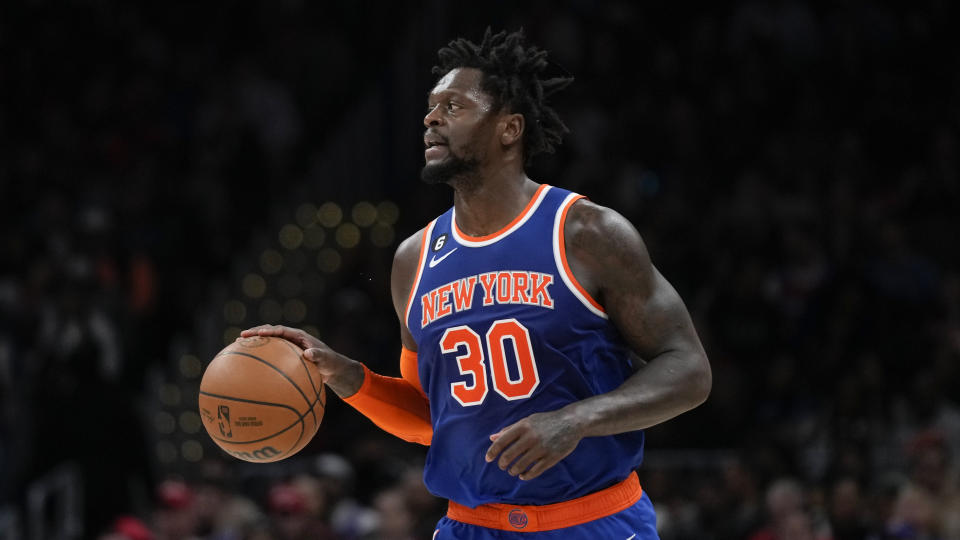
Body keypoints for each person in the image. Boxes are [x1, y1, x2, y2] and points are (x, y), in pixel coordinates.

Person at [242, 28, 711, 539]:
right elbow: (430, 420)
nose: (430, 118)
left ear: (509, 129)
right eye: (429, 107)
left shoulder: (585, 232)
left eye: (453, 106)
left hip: (593, 521)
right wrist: (347, 375)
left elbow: (688, 370)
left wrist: (576, 420)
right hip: (470, 527)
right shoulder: (413, 259)